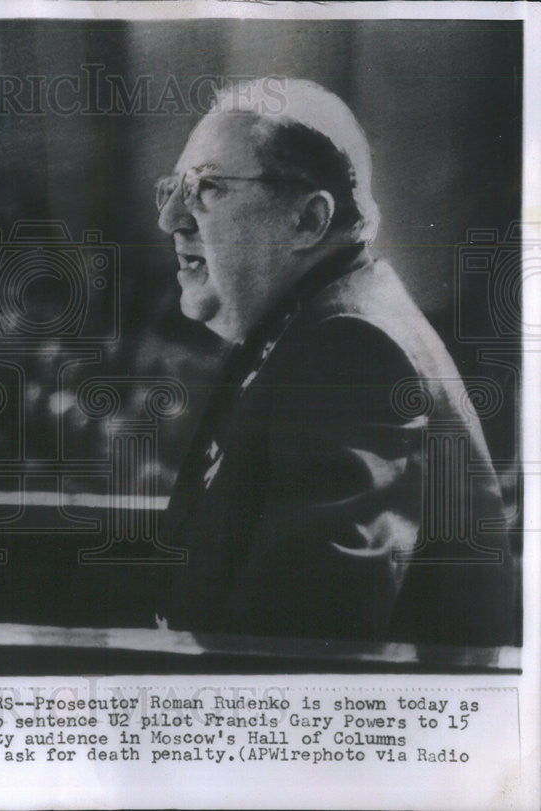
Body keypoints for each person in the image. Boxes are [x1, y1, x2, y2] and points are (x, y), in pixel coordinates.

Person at [156, 78, 514, 646]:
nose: (172, 219)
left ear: (307, 220)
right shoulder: (317, 319)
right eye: (172, 189)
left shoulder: (351, 346)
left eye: (207, 189)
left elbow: (311, 638)